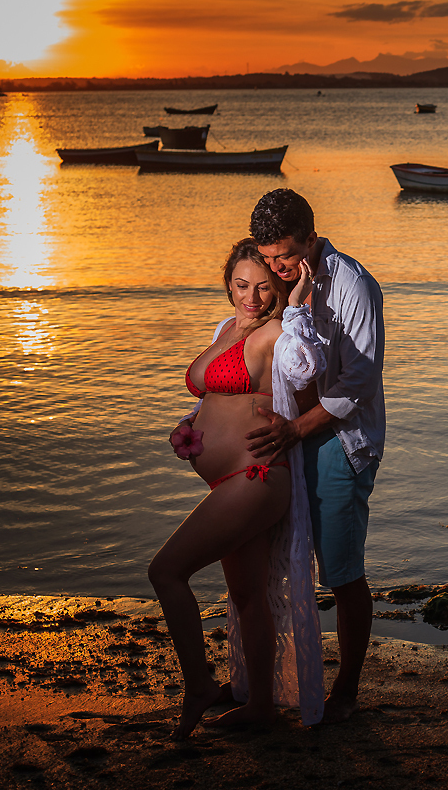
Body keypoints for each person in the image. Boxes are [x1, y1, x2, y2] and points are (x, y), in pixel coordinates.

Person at [150, 239, 326, 739]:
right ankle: (261, 707)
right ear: (228, 282)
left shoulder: (278, 332)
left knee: (166, 571)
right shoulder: (227, 327)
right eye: (242, 284)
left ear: (278, 288)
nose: (251, 296)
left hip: (257, 478)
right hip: (230, 478)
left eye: (264, 287)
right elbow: (215, 394)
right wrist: (190, 425)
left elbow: (307, 368)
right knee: (247, 595)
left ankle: (200, 687)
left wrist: (296, 308)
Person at [246, 188, 386, 725]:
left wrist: (296, 429)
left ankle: (346, 691)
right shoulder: (283, 283)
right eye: (268, 257)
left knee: (341, 570)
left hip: (340, 442)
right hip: (293, 435)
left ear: (310, 237)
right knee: (284, 560)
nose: (276, 267)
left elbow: (358, 382)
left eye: (284, 256)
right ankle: (278, 682)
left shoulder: (352, 284)